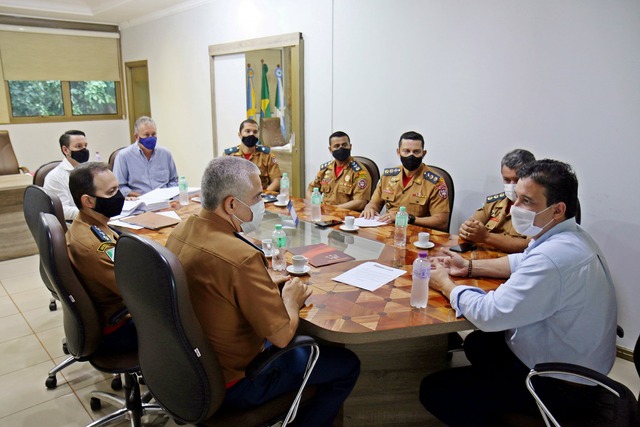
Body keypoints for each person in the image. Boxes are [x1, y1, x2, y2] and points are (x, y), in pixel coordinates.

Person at [420, 159, 617, 426]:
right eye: (516, 199)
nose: (514, 209)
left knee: (435, 389)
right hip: (575, 361)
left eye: (526, 201)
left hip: (560, 384)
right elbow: (521, 261)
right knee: (480, 345)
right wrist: (467, 267)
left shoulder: (554, 257)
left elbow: (489, 314)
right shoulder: (570, 236)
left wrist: (445, 284)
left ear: (557, 209)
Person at [165, 156, 360, 427]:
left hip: (189, 367)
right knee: (346, 364)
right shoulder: (241, 257)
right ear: (231, 204)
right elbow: (281, 337)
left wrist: (263, 283)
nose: (262, 204)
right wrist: (291, 300)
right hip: (237, 381)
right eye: (257, 197)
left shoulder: (181, 230)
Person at [67, 162, 137, 352]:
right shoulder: (94, 245)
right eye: (111, 192)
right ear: (88, 201)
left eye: (118, 188)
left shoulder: (91, 225)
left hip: (119, 311)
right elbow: (136, 291)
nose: (119, 196)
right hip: (120, 327)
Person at [360, 131, 450, 232]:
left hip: (417, 235)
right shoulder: (388, 176)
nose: (411, 156)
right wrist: (370, 209)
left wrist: (409, 219)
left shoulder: (435, 182)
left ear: (423, 153)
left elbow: (442, 222)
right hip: (387, 232)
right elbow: (374, 203)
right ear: (398, 152)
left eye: (416, 152)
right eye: (406, 151)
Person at [458, 148, 536, 253]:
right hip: (481, 258)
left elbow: (529, 245)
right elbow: (470, 226)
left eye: (517, 180)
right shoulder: (493, 203)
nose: (512, 185)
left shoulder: (538, 207)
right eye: (507, 180)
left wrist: (486, 237)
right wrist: (467, 229)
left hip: (511, 265)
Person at [113, 116, 178, 197]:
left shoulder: (165, 154)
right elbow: (119, 187)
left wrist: (169, 194)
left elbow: (173, 180)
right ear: (136, 137)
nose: (151, 138)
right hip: (139, 202)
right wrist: (141, 196)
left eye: (153, 134)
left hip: (165, 201)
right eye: (146, 135)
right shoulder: (124, 156)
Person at [306, 131, 371, 211]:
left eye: (344, 145)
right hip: (324, 214)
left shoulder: (359, 172)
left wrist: (332, 209)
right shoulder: (325, 169)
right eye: (337, 146)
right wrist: (316, 205)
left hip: (345, 217)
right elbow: (310, 191)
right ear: (330, 150)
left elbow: (360, 202)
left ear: (350, 147)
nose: (341, 148)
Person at [43, 130, 90, 221]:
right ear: (65, 150)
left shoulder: (91, 171)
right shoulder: (55, 177)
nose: (84, 150)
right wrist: (94, 213)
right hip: (75, 224)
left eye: (85, 146)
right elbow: (62, 210)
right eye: (78, 146)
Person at [224, 119, 281, 191]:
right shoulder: (229, 156)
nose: (251, 134)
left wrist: (263, 195)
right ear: (240, 135)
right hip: (237, 197)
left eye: (255, 132)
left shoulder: (267, 155)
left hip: (261, 196)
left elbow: (277, 180)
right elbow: (223, 182)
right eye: (247, 131)